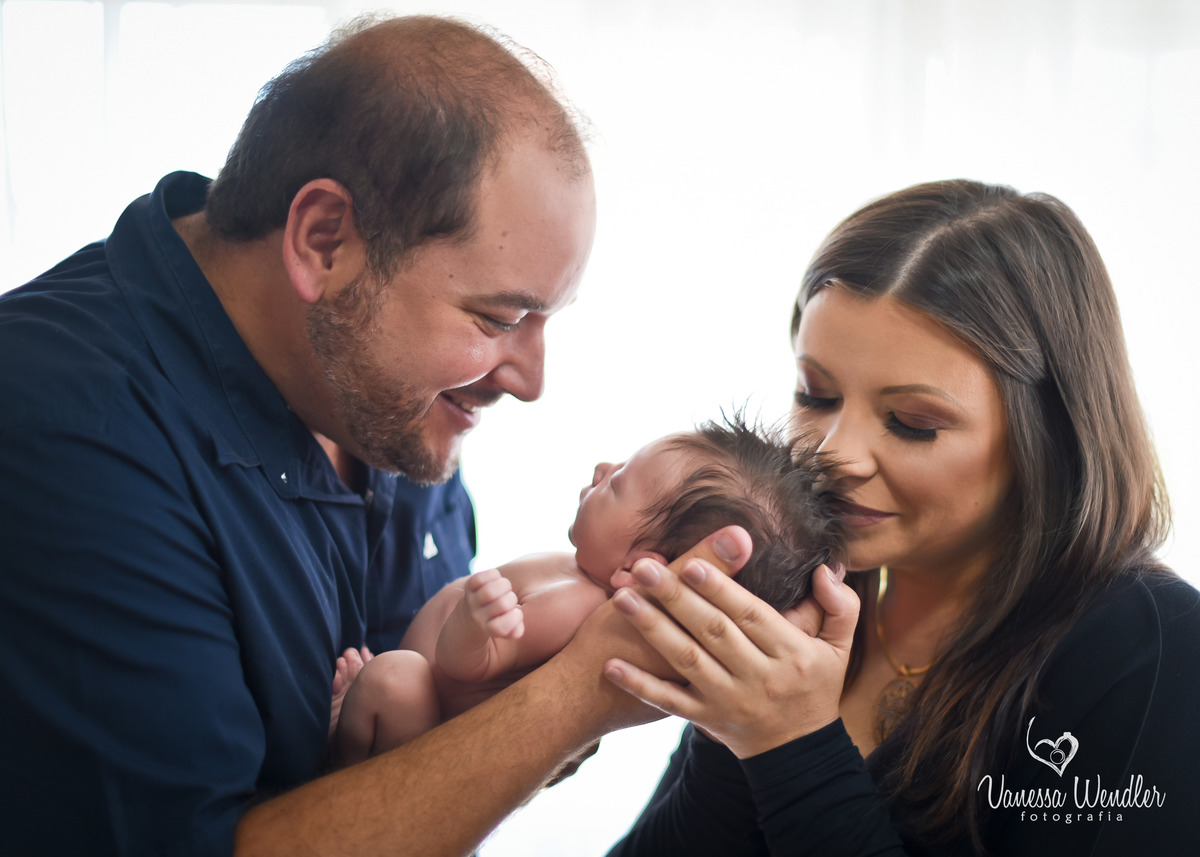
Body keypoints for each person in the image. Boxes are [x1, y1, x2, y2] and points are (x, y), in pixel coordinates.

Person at [0, 13, 766, 856]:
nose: (529, 380)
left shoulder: (374, 394)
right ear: (325, 240)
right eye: (499, 316)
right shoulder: (68, 426)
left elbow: (421, 753)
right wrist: (579, 694)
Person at [600, 180, 1200, 855]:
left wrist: (793, 747)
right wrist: (727, 734)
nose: (834, 454)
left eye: (912, 422)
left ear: (1050, 433)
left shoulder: (1151, 648)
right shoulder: (805, 594)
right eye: (815, 395)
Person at [330, 415, 844, 766]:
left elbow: (467, 665)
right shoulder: (575, 573)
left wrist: (474, 620)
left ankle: (343, 754)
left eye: (618, 483)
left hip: (419, 728)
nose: (602, 468)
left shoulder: (573, 606)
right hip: (420, 716)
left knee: (396, 678)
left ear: (644, 569)